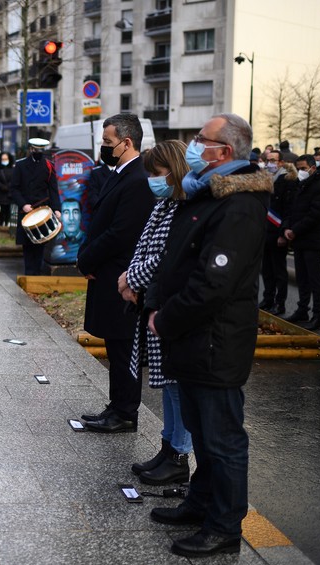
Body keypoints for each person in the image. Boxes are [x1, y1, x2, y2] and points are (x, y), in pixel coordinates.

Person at [146, 113, 271, 557]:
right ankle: (199, 503)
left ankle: (224, 527)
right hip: (195, 340)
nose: (193, 145)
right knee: (202, 433)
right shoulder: (208, 192)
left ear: (225, 152)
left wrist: (166, 317)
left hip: (216, 341)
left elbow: (212, 283)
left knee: (223, 440)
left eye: (202, 139)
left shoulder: (238, 204)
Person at [116, 140, 192, 485]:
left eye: (157, 173)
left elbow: (165, 256)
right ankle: (167, 447)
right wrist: (130, 279)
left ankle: (178, 455)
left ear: (173, 170)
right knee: (165, 384)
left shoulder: (183, 206)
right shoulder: (166, 202)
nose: (152, 179)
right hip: (154, 303)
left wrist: (132, 277)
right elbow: (145, 246)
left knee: (176, 385)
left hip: (170, 304)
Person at [77, 113, 155, 433]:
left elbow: (121, 233)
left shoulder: (137, 179)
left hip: (120, 275)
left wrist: (88, 260)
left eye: (108, 142)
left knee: (124, 348)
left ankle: (125, 412)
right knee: (114, 344)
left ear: (127, 143)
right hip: (107, 272)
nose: (103, 147)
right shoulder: (119, 172)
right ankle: (116, 404)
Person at [283, 155, 320, 331]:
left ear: (312, 167)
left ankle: (317, 315)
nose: (300, 172)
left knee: (314, 279)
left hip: (312, 240)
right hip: (300, 239)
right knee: (302, 278)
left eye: (303, 168)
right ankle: (302, 309)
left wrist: (295, 230)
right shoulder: (301, 186)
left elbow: (316, 214)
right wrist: (288, 228)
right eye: (298, 168)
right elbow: (292, 209)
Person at [10, 138, 61, 275]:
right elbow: (14, 189)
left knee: (41, 244)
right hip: (26, 210)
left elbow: (53, 190)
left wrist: (56, 209)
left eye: (41, 150)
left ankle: (37, 274)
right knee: (27, 246)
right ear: (31, 149)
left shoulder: (49, 166)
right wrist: (23, 204)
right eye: (36, 149)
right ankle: (28, 273)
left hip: (42, 212)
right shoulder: (20, 165)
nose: (38, 152)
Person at [258, 150, 298, 315]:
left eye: (273, 160)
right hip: (265, 231)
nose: (269, 164)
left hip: (278, 231)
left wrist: (283, 233)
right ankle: (268, 299)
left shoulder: (287, 181)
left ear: (281, 163)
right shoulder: (264, 179)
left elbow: (289, 209)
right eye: (268, 160)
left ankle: (279, 303)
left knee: (279, 271)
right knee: (266, 269)